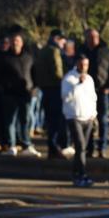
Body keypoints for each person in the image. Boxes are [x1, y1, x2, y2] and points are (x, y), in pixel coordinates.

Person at [0, 33, 37, 156]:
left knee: (25, 120)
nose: (15, 43)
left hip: (26, 94)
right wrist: (3, 89)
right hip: (9, 95)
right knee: (10, 121)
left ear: (22, 43)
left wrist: (33, 89)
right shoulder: (3, 58)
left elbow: (34, 74)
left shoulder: (29, 57)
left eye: (17, 40)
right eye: (13, 41)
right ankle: (11, 145)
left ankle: (26, 144)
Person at [62, 54, 98, 187]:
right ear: (77, 64)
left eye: (86, 65)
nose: (84, 67)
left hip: (88, 118)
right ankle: (81, 174)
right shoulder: (69, 78)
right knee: (80, 146)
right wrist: (78, 84)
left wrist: (94, 114)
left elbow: (93, 97)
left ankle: (77, 173)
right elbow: (66, 96)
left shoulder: (89, 79)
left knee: (82, 148)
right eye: (82, 64)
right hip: (74, 117)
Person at [34, 29, 67, 158]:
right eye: (63, 41)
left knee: (50, 120)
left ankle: (52, 147)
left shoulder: (43, 50)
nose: (64, 44)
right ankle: (55, 147)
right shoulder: (54, 51)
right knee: (56, 120)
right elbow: (57, 72)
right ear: (57, 38)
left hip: (45, 88)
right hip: (55, 88)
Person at [79, 28, 109, 159]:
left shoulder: (105, 51)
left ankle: (102, 148)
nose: (93, 39)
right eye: (90, 37)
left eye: (95, 36)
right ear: (86, 38)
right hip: (86, 91)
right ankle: (89, 148)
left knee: (103, 120)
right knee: (88, 120)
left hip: (102, 89)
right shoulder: (81, 51)